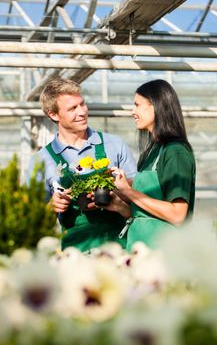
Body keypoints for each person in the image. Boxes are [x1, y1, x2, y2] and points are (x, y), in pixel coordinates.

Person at [28, 78, 137, 252]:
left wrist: (118, 195)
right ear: (53, 114)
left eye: (82, 104)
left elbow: (139, 197)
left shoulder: (115, 145)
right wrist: (50, 207)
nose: (82, 112)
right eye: (72, 108)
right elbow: (31, 219)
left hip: (120, 248)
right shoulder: (41, 160)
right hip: (75, 254)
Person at [105, 79, 196, 251]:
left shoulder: (175, 152)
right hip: (141, 250)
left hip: (163, 253)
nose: (133, 112)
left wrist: (129, 192)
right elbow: (146, 214)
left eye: (137, 105)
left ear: (156, 105)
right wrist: (119, 204)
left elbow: (177, 214)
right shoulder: (153, 151)